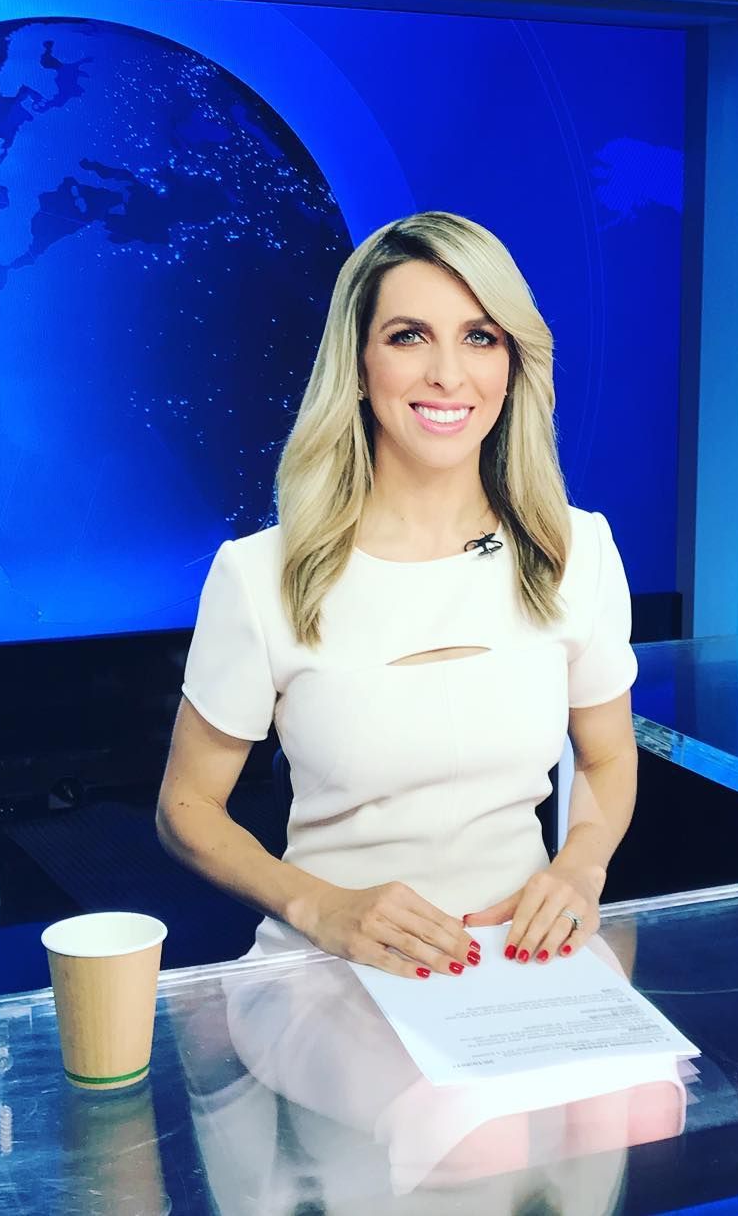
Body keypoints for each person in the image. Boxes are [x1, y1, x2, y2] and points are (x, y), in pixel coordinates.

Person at [156, 211, 638, 980]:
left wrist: (580, 870)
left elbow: (608, 759)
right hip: (332, 968)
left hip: (521, 966)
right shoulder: (261, 574)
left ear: (512, 362)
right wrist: (319, 907)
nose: (448, 374)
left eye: (480, 337)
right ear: (356, 365)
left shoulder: (573, 551)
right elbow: (186, 810)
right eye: (409, 336)